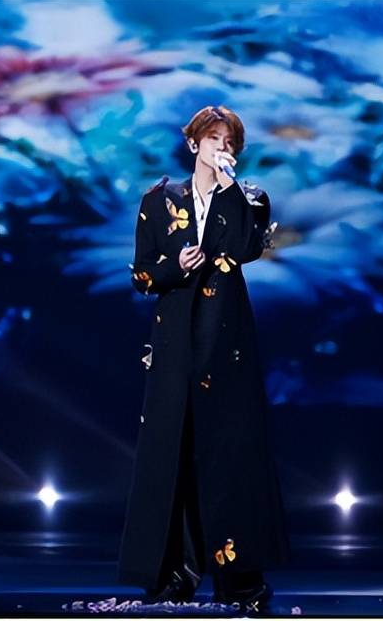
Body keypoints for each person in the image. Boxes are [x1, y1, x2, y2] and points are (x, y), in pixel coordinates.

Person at [116, 105, 290, 611]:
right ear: (194, 143)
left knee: (230, 457)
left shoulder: (250, 198)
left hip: (226, 341)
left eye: (229, 141)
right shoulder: (159, 199)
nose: (222, 147)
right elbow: (142, 274)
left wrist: (230, 187)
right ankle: (174, 576)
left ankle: (241, 583)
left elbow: (247, 247)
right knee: (172, 454)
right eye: (213, 139)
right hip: (174, 343)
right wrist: (174, 266)